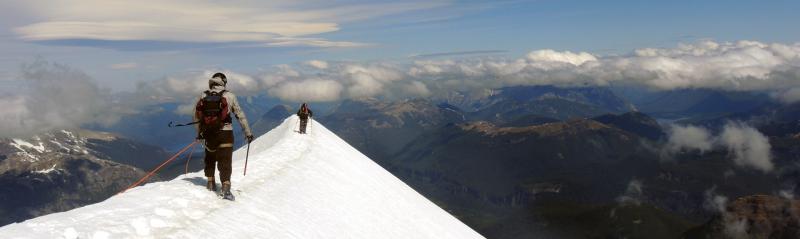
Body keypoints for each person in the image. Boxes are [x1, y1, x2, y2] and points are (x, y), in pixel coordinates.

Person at [194, 72, 253, 199]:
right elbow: (240, 115)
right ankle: (225, 189)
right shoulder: (230, 96)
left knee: (209, 158)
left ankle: (210, 183)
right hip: (225, 133)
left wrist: (199, 134)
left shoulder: (203, 95)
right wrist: (248, 133)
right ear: (224, 82)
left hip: (209, 133)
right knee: (225, 160)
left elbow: (198, 117)